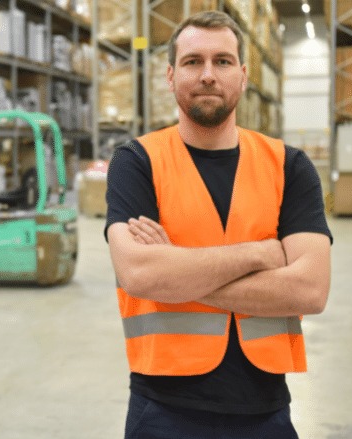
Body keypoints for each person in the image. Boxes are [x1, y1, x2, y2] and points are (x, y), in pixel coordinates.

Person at [104, 10, 332, 439]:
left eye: (222, 61)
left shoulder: (289, 167)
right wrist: (260, 253)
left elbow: (310, 290)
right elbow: (139, 273)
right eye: (193, 62)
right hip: (162, 409)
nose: (208, 74)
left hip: (265, 411)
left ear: (243, 76)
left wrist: (177, 272)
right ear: (170, 76)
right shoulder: (137, 162)